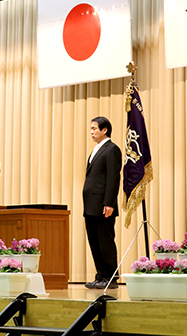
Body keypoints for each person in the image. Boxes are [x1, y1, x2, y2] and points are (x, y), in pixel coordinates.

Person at [83, 116, 122, 289]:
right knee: (94, 242)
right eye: (91, 129)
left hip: (103, 205)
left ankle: (111, 278)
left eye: (94, 128)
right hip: (91, 204)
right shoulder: (96, 150)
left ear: (104, 130)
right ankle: (100, 276)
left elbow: (113, 178)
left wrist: (109, 203)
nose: (91, 132)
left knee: (105, 241)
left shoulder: (112, 149)